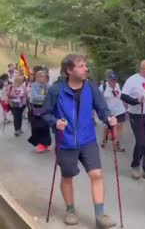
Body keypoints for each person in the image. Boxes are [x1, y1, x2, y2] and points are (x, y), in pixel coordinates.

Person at [42, 54, 117, 228]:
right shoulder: (56, 89)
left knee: (96, 174)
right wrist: (56, 122)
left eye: (85, 65)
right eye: (81, 66)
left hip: (88, 140)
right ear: (69, 70)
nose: (86, 68)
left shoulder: (90, 87)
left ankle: (100, 215)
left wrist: (109, 118)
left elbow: (102, 109)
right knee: (68, 176)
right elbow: (44, 112)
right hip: (65, 141)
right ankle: (70, 210)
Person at [99, 70, 127, 152]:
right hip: (109, 111)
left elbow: (122, 97)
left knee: (119, 126)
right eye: (111, 80)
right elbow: (99, 100)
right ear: (107, 79)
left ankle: (118, 144)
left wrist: (126, 108)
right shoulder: (102, 87)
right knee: (107, 127)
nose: (113, 81)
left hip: (120, 110)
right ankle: (105, 139)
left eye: (115, 79)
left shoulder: (118, 85)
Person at [27, 70, 51, 152]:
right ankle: (40, 144)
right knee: (38, 125)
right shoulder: (34, 85)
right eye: (40, 76)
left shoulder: (48, 86)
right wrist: (45, 98)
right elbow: (34, 97)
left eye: (44, 76)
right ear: (37, 77)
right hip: (37, 107)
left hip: (46, 107)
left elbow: (51, 97)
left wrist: (45, 98)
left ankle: (46, 144)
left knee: (46, 125)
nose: (42, 78)